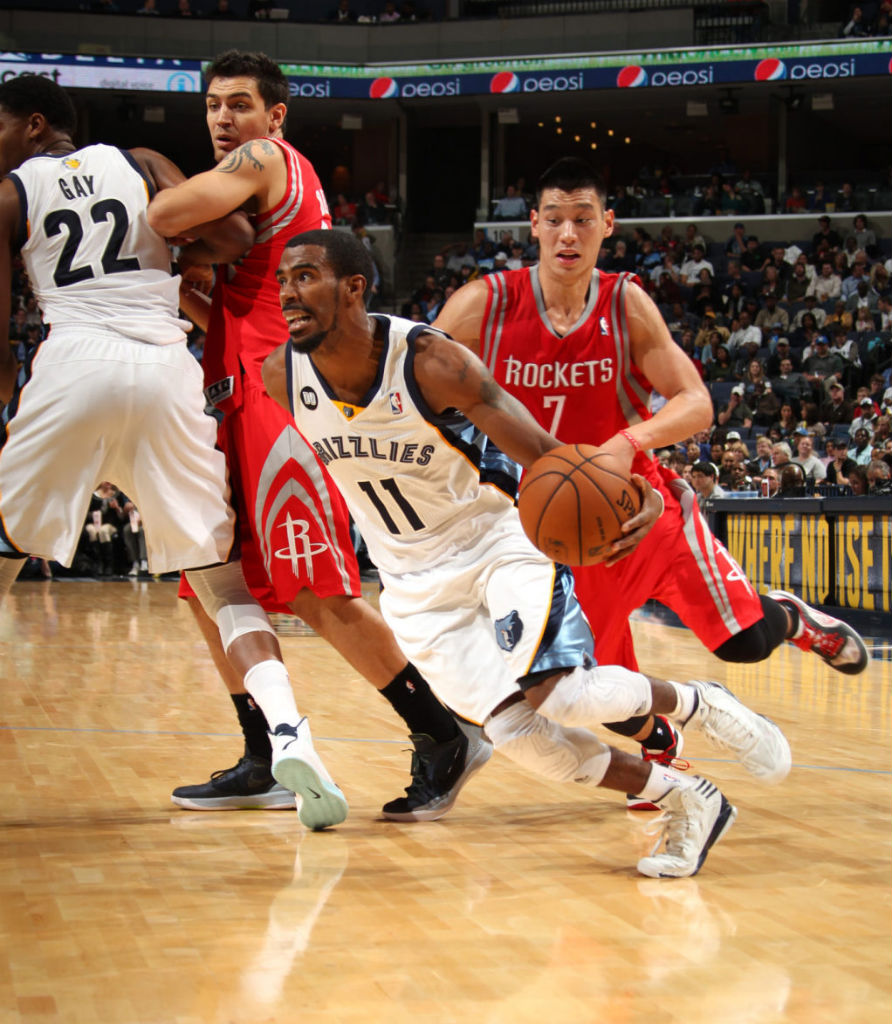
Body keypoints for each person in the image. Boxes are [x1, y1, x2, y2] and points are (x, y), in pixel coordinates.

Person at [263, 228, 795, 878]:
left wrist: (636, 498)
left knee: (562, 695)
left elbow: (546, 454)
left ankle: (699, 702)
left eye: (306, 277)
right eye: (284, 280)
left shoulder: (431, 361)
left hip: (498, 542)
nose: (288, 293)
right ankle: (687, 796)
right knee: (518, 736)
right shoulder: (279, 375)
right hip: (410, 584)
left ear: (353, 288)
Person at [432, 157, 868, 802]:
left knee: (745, 644)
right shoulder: (480, 307)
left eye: (583, 220)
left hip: (642, 507)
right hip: (552, 532)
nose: (568, 235)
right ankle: (660, 739)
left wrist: (625, 443)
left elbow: (695, 401)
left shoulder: (625, 303)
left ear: (607, 225)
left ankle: (792, 619)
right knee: (580, 691)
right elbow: (414, 395)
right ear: (533, 225)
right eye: (554, 220)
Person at [0, 74, 350, 832]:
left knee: (4, 545)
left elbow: (1, 334)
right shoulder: (147, 163)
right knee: (220, 580)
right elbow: (235, 239)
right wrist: (169, 247)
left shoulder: (10, 192)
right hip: (166, 370)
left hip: (73, 364)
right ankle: (291, 735)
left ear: (32, 128)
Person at [145, 50, 488, 820]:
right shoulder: (256, 215)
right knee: (208, 585)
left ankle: (443, 735)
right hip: (232, 401)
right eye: (211, 106)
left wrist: (131, 189)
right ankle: (263, 754)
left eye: (238, 103)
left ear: (275, 117)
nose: (222, 118)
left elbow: (164, 216)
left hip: (284, 408)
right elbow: (232, 312)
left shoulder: (266, 159)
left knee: (312, 589)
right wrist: (195, 289)